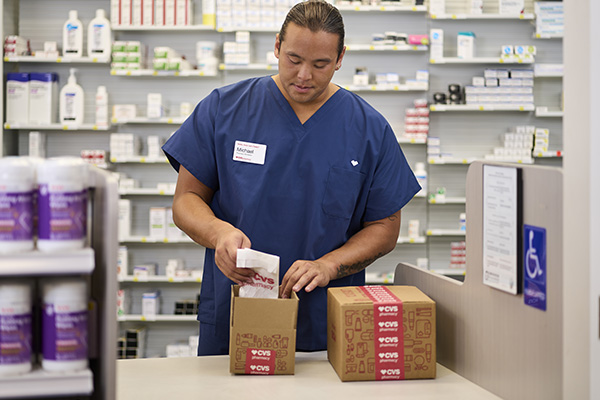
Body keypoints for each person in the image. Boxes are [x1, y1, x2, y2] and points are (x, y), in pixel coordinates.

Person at [162, 0, 420, 355]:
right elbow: (186, 200)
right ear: (278, 46)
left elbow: (385, 228)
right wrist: (218, 233)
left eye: (320, 65)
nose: (303, 76)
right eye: (294, 60)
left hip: (326, 324)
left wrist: (328, 265)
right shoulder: (224, 109)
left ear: (341, 58)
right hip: (238, 309)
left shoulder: (368, 129)